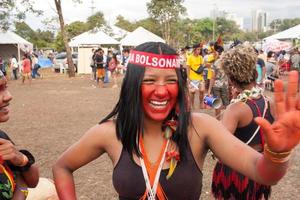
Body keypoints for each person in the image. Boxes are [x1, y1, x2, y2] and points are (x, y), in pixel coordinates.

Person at [53, 42, 300, 200]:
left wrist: (278, 153)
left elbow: (264, 173)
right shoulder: (110, 133)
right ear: (131, 86)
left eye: (170, 81)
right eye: (149, 81)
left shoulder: (200, 128)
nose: (161, 92)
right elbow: (62, 167)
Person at [211, 44, 285, 199]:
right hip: (260, 165)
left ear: (231, 79)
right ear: (254, 73)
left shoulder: (235, 109)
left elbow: (219, 148)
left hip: (237, 171)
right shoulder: (269, 101)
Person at [0, 70, 39, 199]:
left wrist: (21, 160)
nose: (8, 96)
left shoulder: (2, 138)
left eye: (5, 87)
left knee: (50, 188)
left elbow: (32, 182)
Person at [186, 43, 205, 109]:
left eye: (200, 49)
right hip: (192, 78)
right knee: (192, 92)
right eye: (198, 49)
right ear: (194, 50)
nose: (199, 51)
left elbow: (202, 67)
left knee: (202, 90)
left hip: (200, 77)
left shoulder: (200, 57)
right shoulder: (190, 57)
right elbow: (188, 68)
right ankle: (192, 105)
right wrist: (188, 78)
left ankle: (201, 102)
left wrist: (202, 77)